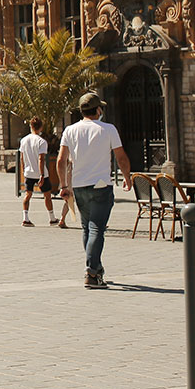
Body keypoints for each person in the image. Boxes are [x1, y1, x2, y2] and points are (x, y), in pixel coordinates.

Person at [58, 92, 133, 289]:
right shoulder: (108, 129)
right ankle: (91, 272)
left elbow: (61, 160)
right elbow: (121, 157)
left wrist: (64, 186)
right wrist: (127, 177)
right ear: (98, 110)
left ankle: (96, 269)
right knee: (97, 229)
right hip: (101, 185)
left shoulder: (70, 130)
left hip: (80, 186)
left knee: (87, 228)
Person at [19, 117, 56, 227]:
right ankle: (52, 218)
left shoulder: (23, 140)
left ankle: (25, 218)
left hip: (28, 172)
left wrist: (23, 169)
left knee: (28, 194)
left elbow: (22, 157)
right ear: (41, 127)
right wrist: (42, 174)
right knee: (47, 195)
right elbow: (41, 159)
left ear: (31, 126)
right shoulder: (42, 142)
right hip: (40, 173)